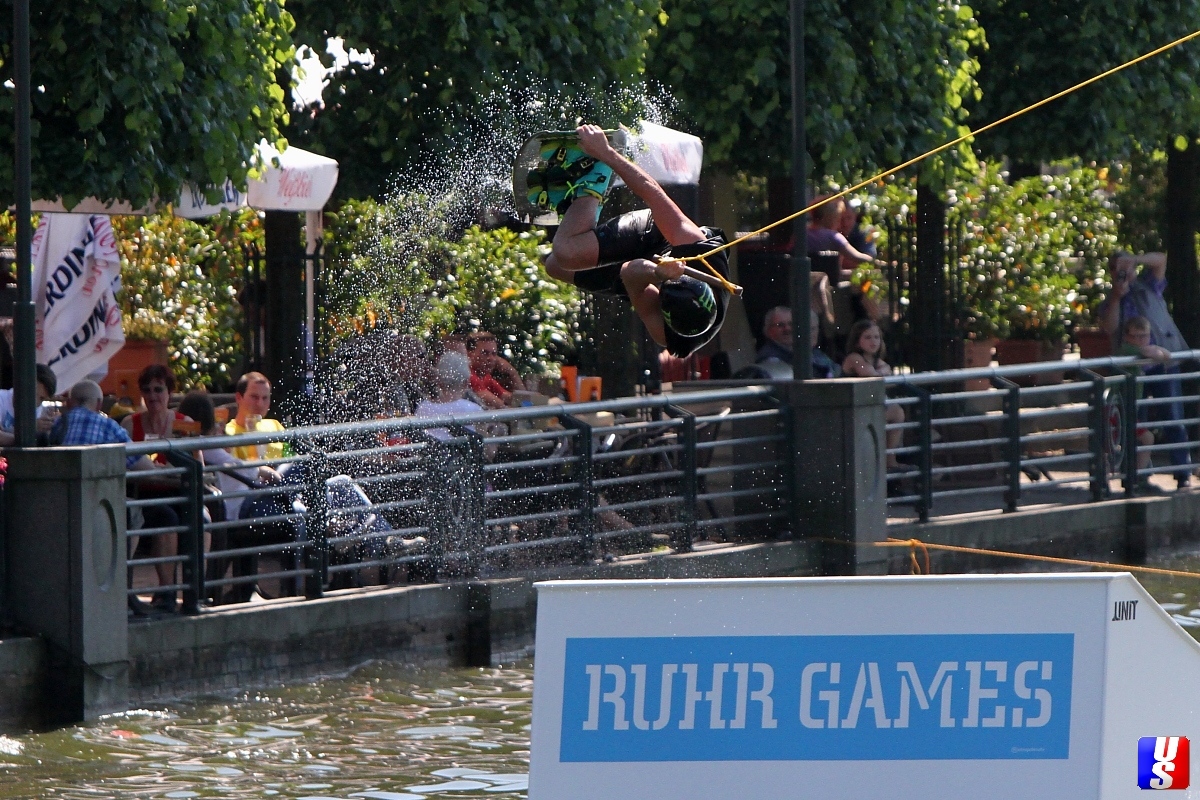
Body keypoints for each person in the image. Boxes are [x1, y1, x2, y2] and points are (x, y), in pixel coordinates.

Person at [541, 124, 730, 359]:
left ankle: (577, 206)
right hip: (654, 236)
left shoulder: (668, 335)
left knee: (553, 265)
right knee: (567, 252)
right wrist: (606, 153)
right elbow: (652, 192)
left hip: (641, 277)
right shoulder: (697, 245)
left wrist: (658, 274)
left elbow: (631, 273)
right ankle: (593, 176)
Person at [50, 379, 165, 614]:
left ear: (70, 402)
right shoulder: (107, 425)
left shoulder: (57, 425)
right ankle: (121, 585)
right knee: (134, 513)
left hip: (59, 503)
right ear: (100, 403)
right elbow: (146, 470)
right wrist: (161, 469)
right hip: (97, 504)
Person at [1099, 251, 1191, 487]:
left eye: (1126, 267)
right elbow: (1110, 328)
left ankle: (1182, 473)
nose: (1124, 272)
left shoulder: (1149, 285)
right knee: (1135, 422)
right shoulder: (1110, 300)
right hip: (1133, 369)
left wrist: (1135, 259)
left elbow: (1161, 259)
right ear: (1111, 272)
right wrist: (1118, 297)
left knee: (1172, 417)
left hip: (1162, 364)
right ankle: (1138, 475)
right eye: (1118, 268)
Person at [120, 364, 192, 609]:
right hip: (143, 494)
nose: (153, 396)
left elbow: (197, 465)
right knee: (166, 518)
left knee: (203, 518)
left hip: (177, 492)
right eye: (147, 390)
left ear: (169, 392)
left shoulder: (184, 423)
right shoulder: (131, 424)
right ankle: (167, 591)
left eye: (158, 389)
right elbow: (123, 468)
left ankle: (198, 594)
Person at [1116, 316, 1173, 491]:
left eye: (1144, 336)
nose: (1140, 341)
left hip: (1127, 409)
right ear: (1127, 337)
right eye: (1136, 336)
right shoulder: (1128, 350)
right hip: (1117, 409)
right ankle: (1136, 478)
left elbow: (1166, 356)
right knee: (1145, 438)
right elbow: (1156, 354)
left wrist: (1159, 351)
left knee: (1135, 439)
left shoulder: (1138, 350)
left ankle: (1135, 477)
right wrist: (1156, 349)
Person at [841, 319, 904, 469]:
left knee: (897, 412)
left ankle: (890, 458)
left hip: (869, 407)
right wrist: (883, 372)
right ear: (857, 341)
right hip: (851, 409)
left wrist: (883, 372)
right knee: (895, 412)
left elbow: (886, 375)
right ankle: (888, 459)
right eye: (868, 337)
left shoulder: (877, 361)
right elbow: (871, 375)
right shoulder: (854, 358)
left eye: (877, 337)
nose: (873, 341)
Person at [808, 196, 878, 284]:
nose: (840, 223)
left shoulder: (803, 234)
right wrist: (879, 264)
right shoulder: (833, 236)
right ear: (831, 219)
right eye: (838, 219)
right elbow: (857, 257)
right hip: (828, 282)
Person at [755, 307, 841, 379]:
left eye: (791, 324)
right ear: (768, 331)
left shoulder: (806, 351)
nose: (787, 329)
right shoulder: (770, 357)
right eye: (780, 325)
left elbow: (833, 368)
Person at [415, 352, 483, 441]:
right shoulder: (474, 409)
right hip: (463, 453)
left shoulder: (423, 407)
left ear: (439, 381)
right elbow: (487, 451)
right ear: (466, 382)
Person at [225, 372, 287, 461]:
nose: (260, 404)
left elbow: (291, 456)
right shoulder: (228, 433)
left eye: (265, 398)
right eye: (254, 397)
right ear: (239, 398)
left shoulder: (274, 424)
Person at [0, 363, 59, 446]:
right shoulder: (1, 398)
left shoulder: (39, 410)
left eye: (42, 399)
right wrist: (29, 430)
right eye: (33, 394)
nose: (37, 403)